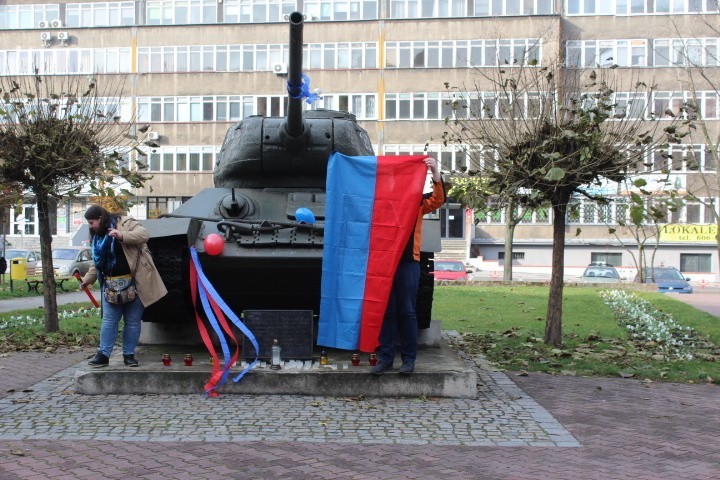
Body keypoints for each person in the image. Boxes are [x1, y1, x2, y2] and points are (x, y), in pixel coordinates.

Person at [371, 157, 445, 375]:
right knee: (387, 312)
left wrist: (435, 172)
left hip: (408, 263)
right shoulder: (382, 203)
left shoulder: (417, 202)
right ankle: (385, 358)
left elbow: (438, 199)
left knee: (407, 311)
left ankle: (409, 360)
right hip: (385, 263)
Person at [80, 205, 167, 367]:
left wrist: (121, 236)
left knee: (132, 321)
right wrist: (88, 279)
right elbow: (97, 261)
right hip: (110, 283)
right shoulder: (98, 236)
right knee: (109, 320)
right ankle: (104, 354)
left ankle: (129, 355)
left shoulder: (125, 222)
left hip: (135, 281)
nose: (90, 226)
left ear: (101, 218)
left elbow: (144, 235)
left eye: (92, 222)